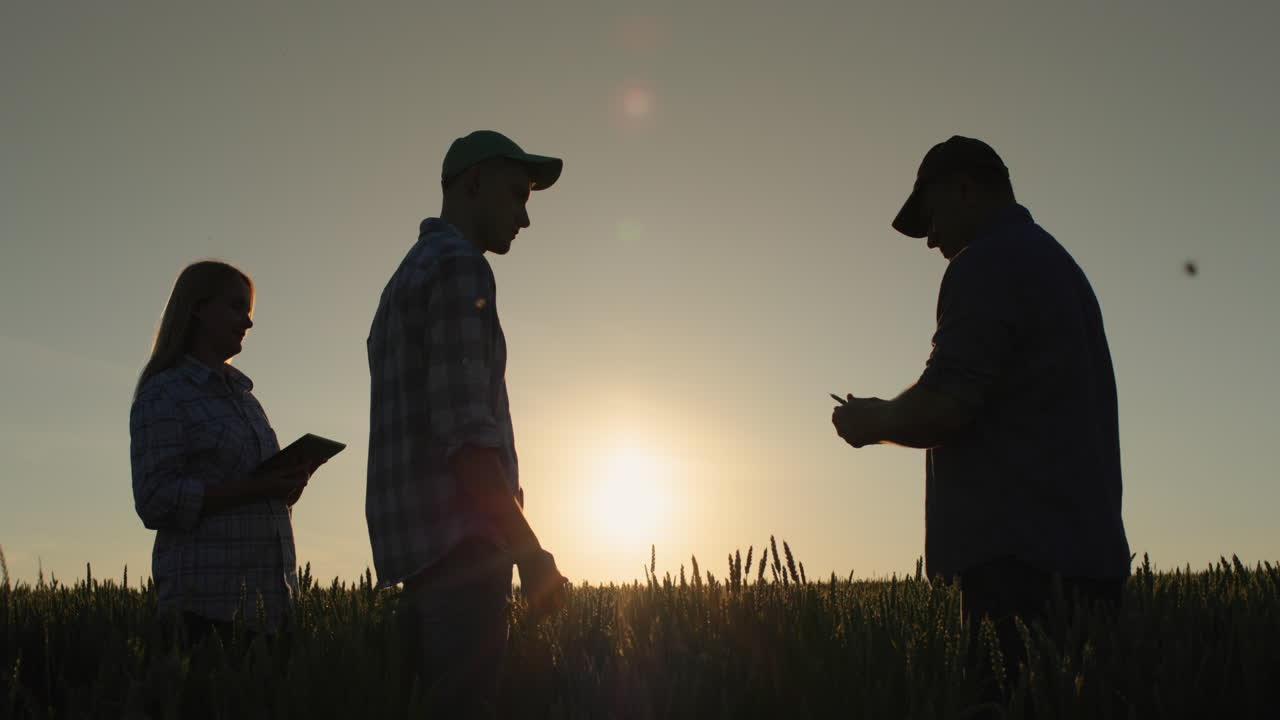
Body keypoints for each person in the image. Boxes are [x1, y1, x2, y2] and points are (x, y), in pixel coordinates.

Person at [830, 136, 1130, 678]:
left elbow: (946, 406)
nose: (931, 240)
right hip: (1087, 560)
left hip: (1020, 570)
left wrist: (871, 421)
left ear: (965, 189)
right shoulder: (1058, 265)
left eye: (931, 216)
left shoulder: (987, 264)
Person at [366, 130, 568, 715]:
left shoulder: (405, 275)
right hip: (464, 548)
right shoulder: (459, 268)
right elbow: (466, 433)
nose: (524, 219)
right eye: (516, 194)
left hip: (420, 552)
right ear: (473, 182)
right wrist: (529, 551)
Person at [130, 260, 320, 643]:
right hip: (205, 614)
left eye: (248, 312)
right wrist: (258, 488)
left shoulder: (246, 398)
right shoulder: (165, 392)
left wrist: (289, 484)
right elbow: (154, 500)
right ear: (197, 308)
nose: (247, 323)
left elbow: (261, 491)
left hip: (270, 611)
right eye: (236, 307)